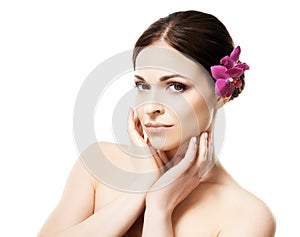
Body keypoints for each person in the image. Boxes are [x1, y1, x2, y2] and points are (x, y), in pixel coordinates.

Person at [38, 10, 276, 237]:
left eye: (176, 86)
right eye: (143, 86)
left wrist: (159, 209)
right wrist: (141, 189)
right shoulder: (98, 165)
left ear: (221, 94)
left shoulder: (247, 215)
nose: (151, 107)